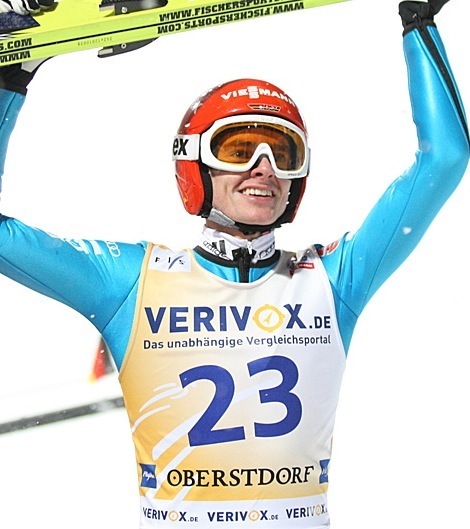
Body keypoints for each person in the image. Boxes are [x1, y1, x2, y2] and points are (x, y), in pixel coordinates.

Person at [0, 0, 468, 527]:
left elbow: (444, 160)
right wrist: (12, 78)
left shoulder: (332, 281)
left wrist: (419, 21)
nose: (263, 169)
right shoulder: (130, 283)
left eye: (282, 154)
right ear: (195, 164)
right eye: (239, 149)